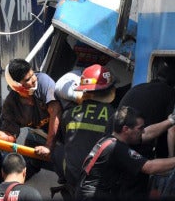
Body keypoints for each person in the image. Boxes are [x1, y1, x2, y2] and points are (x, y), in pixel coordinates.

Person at [0, 58, 64, 181]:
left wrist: (49, 147)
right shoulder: (11, 104)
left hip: (65, 128)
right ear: (17, 86)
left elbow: (56, 111)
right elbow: (10, 136)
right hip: (41, 134)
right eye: (28, 80)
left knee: (66, 162)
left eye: (32, 75)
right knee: (29, 162)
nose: (33, 80)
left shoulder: (43, 81)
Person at [75, 105, 175, 201]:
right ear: (126, 129)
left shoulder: (110, 139)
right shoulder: (115, 147)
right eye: (140, 128)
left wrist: (171, 121)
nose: (143, 132)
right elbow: (149, 167)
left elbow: (147, 134)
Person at [115, 57, 175, 198]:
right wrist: (171, 159)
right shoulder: (169, 94)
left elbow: (145, 133)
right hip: (136, 152)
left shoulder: (138, 88)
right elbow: (172, 131)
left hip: (123, 147)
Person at [58, 64, 117, 197]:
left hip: (72, 180)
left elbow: (64, 143)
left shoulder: (68, 114)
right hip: (98, 184)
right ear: (109, 90)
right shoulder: (114, 115)